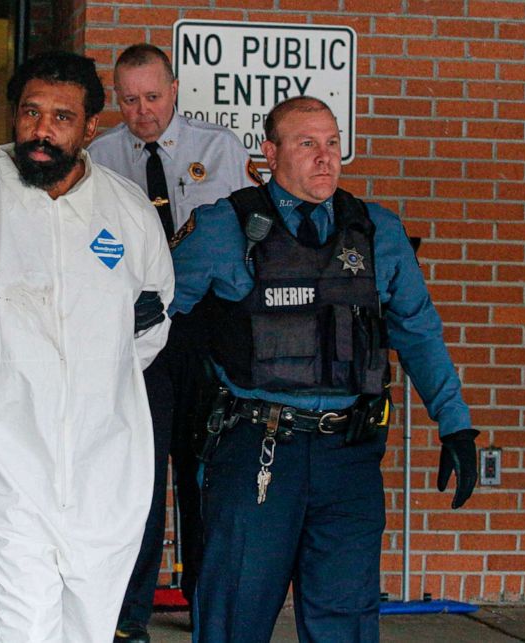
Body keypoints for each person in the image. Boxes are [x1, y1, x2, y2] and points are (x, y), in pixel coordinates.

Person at [172, 95, 478, 642]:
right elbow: (149, 315)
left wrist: (454, 422)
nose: (325, 158)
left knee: (347, 620)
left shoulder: (377, 232)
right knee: (233, 615)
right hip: (255, 450)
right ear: (271, 152)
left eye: (332, 143)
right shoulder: (225, 228)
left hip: (348, 456)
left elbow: (418, 330)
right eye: (307, 144)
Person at [0, 51, 174, 642]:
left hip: (107, 460)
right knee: (20, 619)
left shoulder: (128, 214)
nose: (43, 130)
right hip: (3, 458)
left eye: (61, 117)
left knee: (90, 624)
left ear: (89, 128)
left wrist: (92, 371)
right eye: (31, 113)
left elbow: (150, 327)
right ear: (14, 117)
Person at [88, 43, 260, 642]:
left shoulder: (220, 150)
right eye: (129, 100)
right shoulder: (100, 158)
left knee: (207, 473)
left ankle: (208, 608)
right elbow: (90, 240)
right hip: (136, 332)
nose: (143, 112)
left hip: (207, 331)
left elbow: (247, 244)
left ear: (177, 88)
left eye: (153, 97)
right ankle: (128, 615)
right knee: (138, 474)